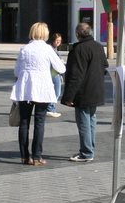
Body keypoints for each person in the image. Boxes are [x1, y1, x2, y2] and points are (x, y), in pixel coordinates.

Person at [11, 22, 65, 166]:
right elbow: (61, 68)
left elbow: (16, 71)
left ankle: (24, 156)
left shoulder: (24, 49)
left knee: (24, 123)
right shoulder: (48, 50)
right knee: (39, 123)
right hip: (42, 89)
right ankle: (37, 156)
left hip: (25, 89)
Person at [60, 22, 106, 164]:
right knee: (91, 120)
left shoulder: (79, 49)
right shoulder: (98, 47)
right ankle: (89, 148)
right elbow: (105, 67)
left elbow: (76, 75)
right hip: (96, 90)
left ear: (77, 34)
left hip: (83, 92)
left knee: (84, 122)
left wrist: (68, 96)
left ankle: (86, 152)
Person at [46, 32, 64, 117]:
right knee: (57, 92)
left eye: (59, 41)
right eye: (57, 40)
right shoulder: (51, 49)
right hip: (53, 73)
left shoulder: (55, 49)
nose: (58, 42)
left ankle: (51, 108)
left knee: (54, 92)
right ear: (53, 40)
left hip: (54, 72)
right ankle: (50, 108)